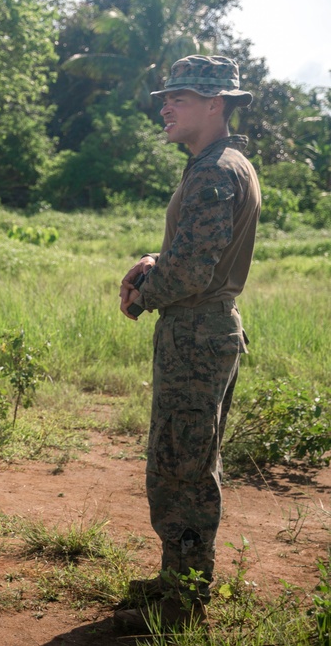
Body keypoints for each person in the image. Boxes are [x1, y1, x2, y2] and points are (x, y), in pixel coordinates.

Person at [117, 55, 261, 629]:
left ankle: (186, 601)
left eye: (180, 96)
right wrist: (157, 260)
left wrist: (142, 292)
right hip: (198, 329)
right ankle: (175, 579)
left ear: (216, 104)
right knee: (178, 458)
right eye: (165, 96)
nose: (165, 106)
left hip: (198, 331)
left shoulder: (214, 171)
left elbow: (195, 272)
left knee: (186, 466)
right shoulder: (216, 164)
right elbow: (195, 253)